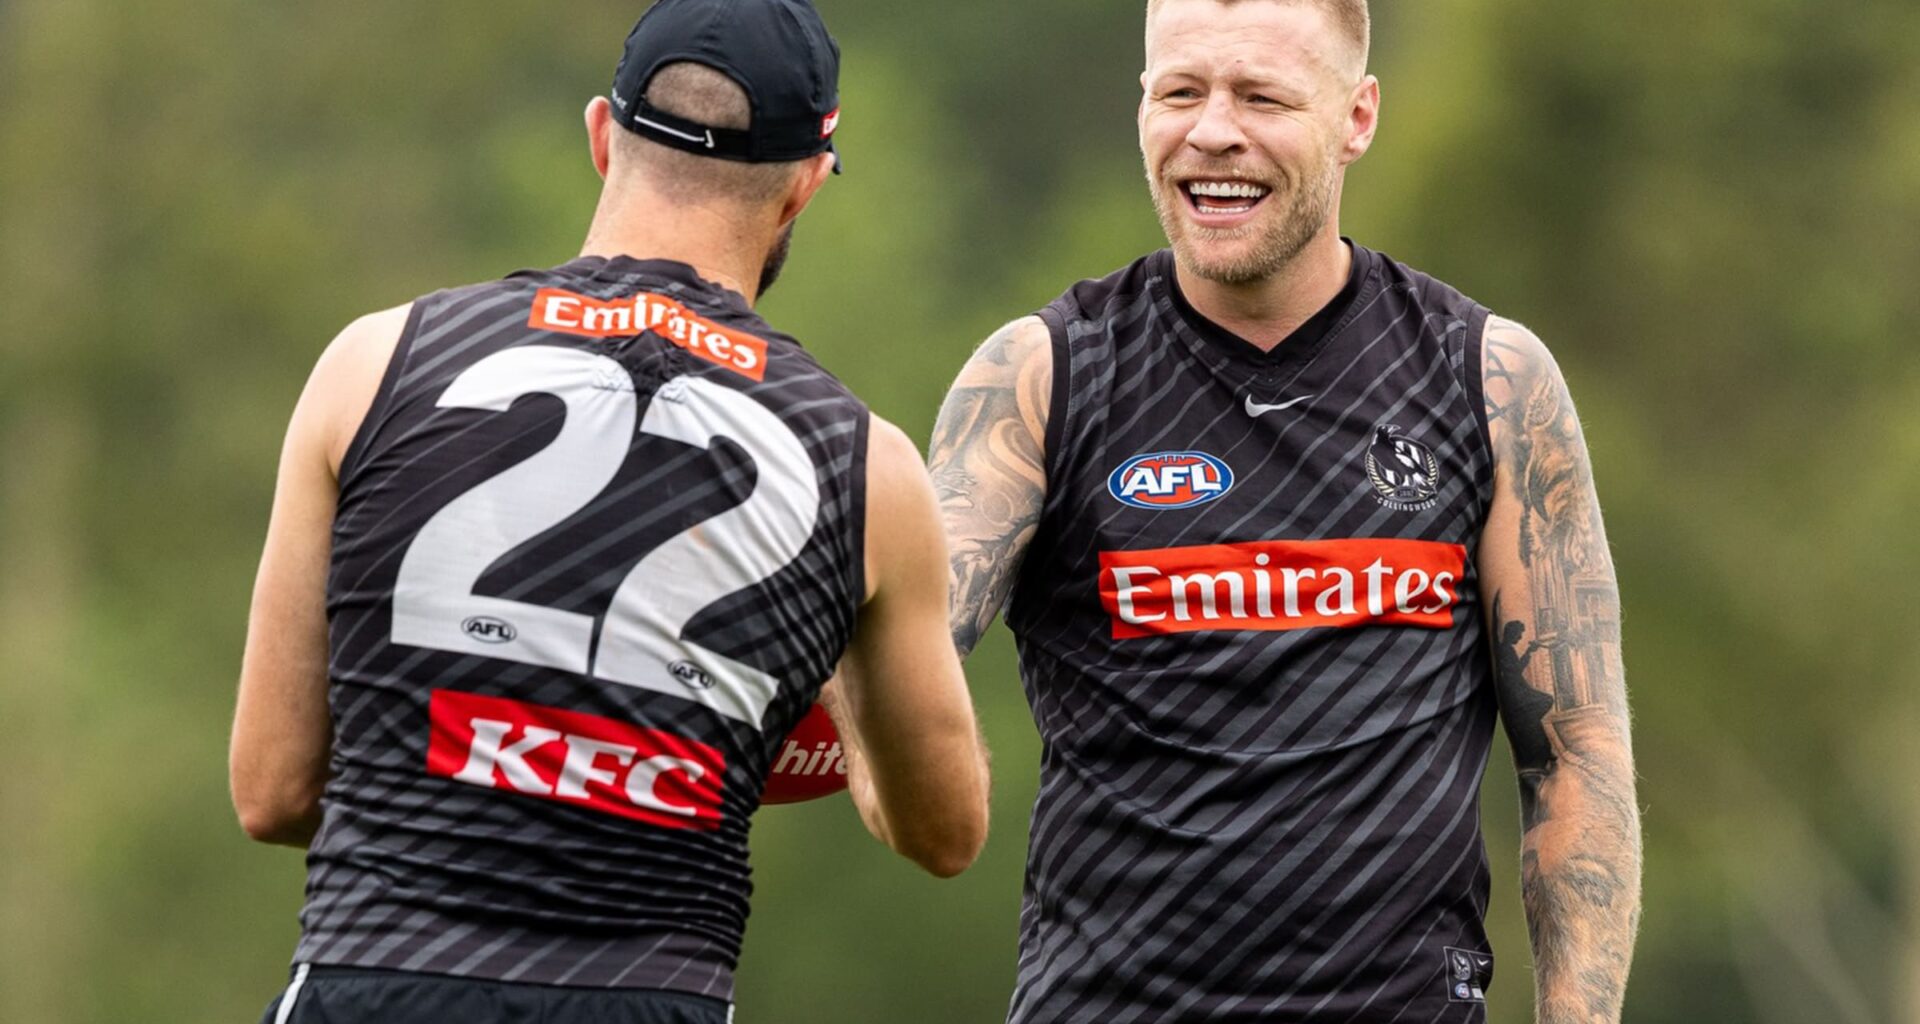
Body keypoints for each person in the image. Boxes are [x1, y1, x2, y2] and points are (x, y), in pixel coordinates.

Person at [228, 2, 990, 1021]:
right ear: (805, 185)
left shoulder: (373, 363)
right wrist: (826, 658)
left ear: (600, 135)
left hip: (374, 979)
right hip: (646, 998)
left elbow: (274, 789)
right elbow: (943, 832)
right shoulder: (869, 468)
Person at [926, 0, 1640, 1020]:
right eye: (1181, 92)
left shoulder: (1488, 379)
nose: (1213, 131)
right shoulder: (1040, 376)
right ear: (1142, 107)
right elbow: (903, 649)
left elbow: (1574, 757)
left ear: (1357, 118)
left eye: (1261, 97)